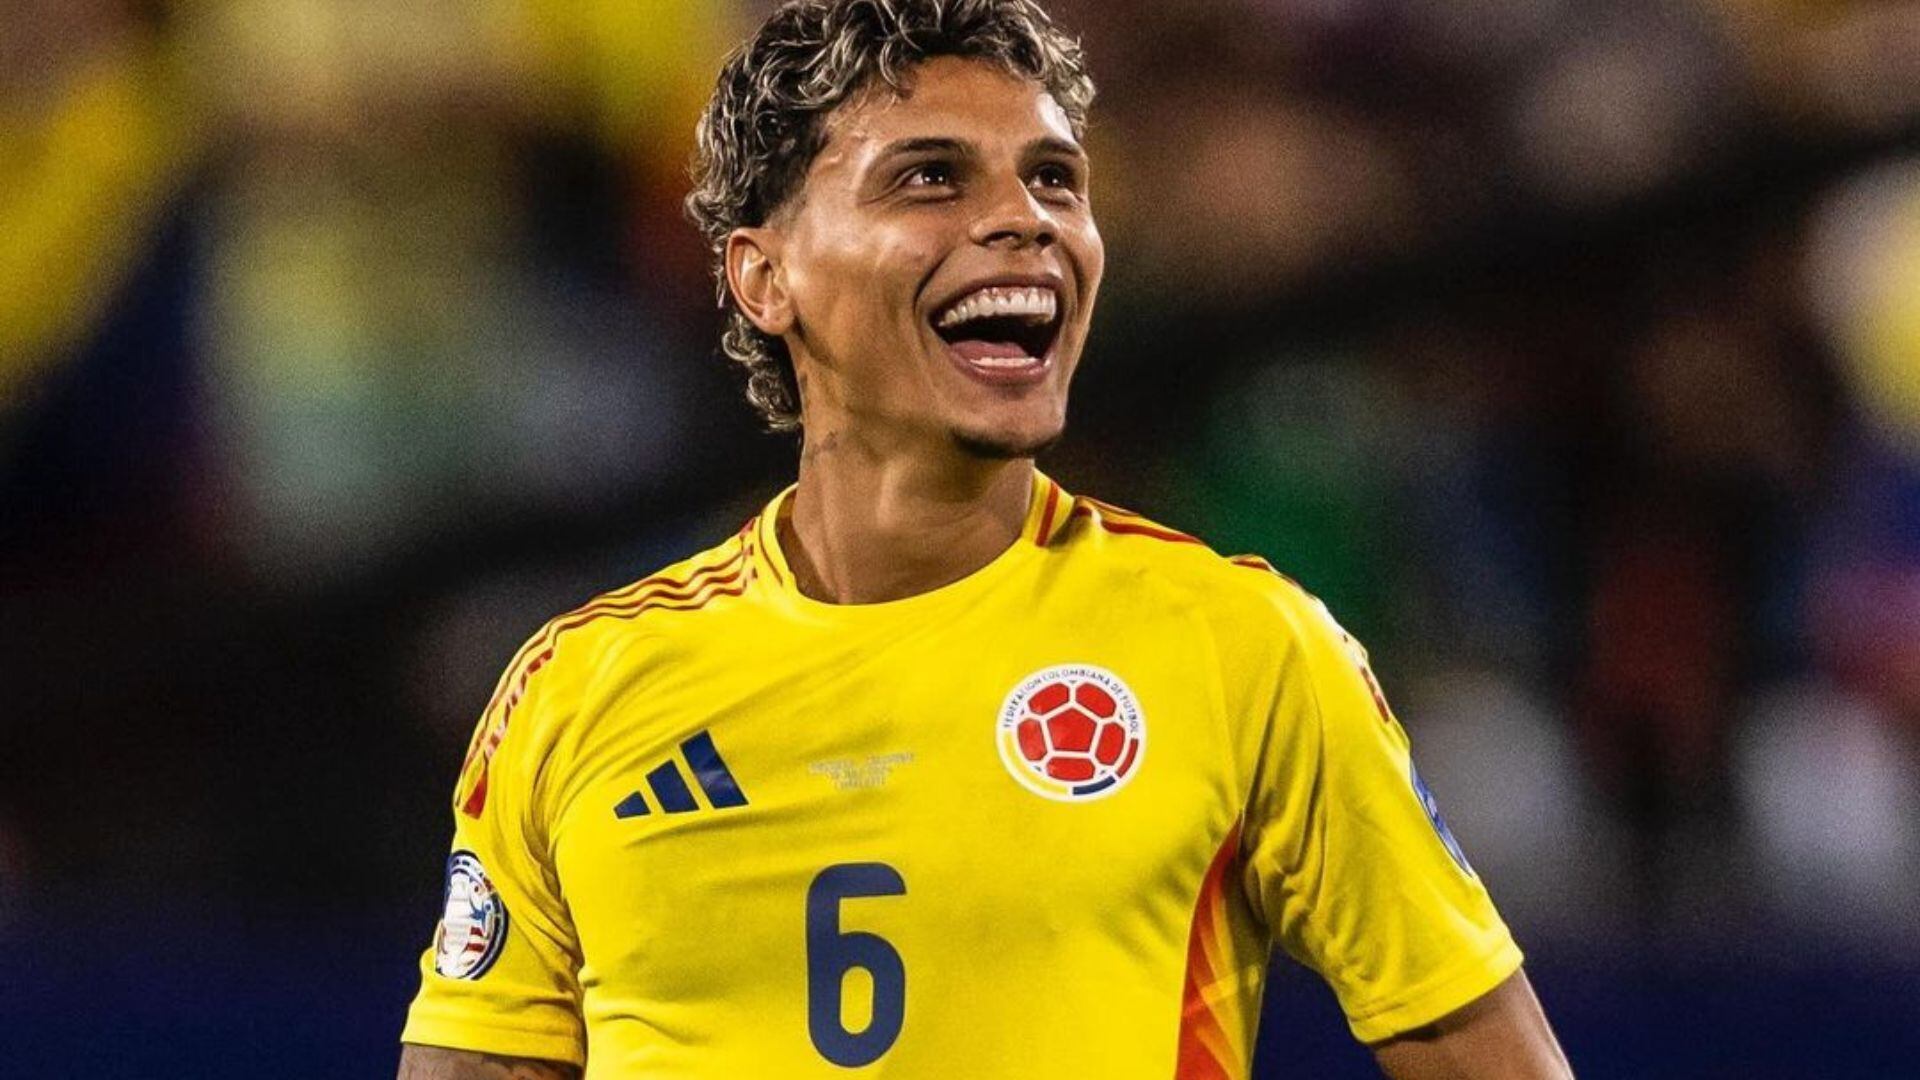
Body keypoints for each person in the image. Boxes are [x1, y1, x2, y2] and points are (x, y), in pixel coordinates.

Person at [398, 1, 1575, 1076]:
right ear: (765, 277)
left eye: (1056, 181)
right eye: (930, 179)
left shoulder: (1246, 653)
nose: (1023, 221)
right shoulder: (578, 692)